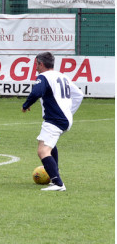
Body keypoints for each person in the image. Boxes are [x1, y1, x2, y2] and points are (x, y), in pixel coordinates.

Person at [22, 52, 83, 192]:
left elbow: (36, 92)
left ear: (41, 64)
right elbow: (79, 95)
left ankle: (58, 183)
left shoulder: (43, 77)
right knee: (49, 144)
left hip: (54, 119)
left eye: (36, 64)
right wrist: (69, 112)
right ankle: (54, 175)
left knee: (43, 151)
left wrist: (25, 105)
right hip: (64, 119)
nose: (36, 67)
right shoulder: (63, 76)